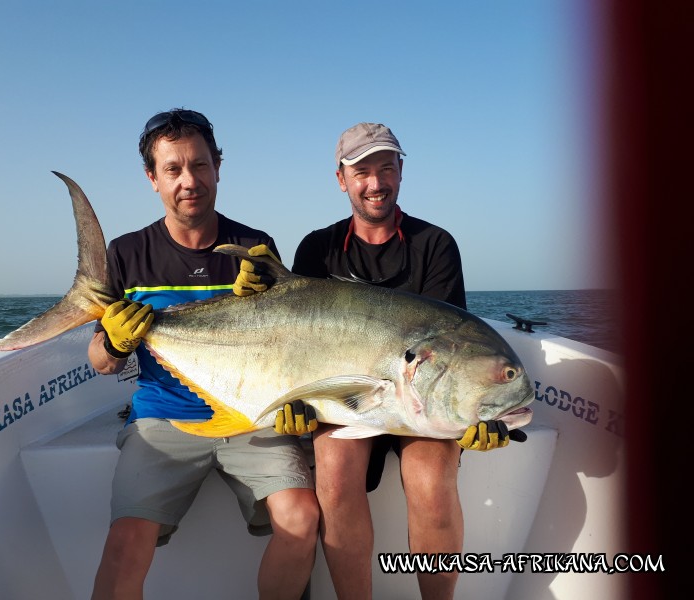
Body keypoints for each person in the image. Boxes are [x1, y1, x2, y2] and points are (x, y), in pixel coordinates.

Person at [235, 122, 518, 600]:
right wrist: (298, 400)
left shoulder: (435, 245)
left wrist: (486, 409)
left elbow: (454, 353)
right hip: (350, 403)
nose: (376, 182)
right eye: (362, 171)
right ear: (341, 180)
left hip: (419, 409)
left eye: (386, 168)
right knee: (335, 471)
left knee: (430, 480)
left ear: (401, 172)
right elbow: (296, 344)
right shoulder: (317, 249)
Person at [88, 108, 320, 600]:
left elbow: (287, 346)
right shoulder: (127, 253)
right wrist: (113, 341)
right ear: (152, 178)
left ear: (218, 166)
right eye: (173, 169)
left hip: (252, 415)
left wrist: (295, 401)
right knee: (125, 543)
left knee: (301, 518)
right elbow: (101, 361)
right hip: (163, 419)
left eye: (199, 165)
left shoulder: (256, 247)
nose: (188, 180)